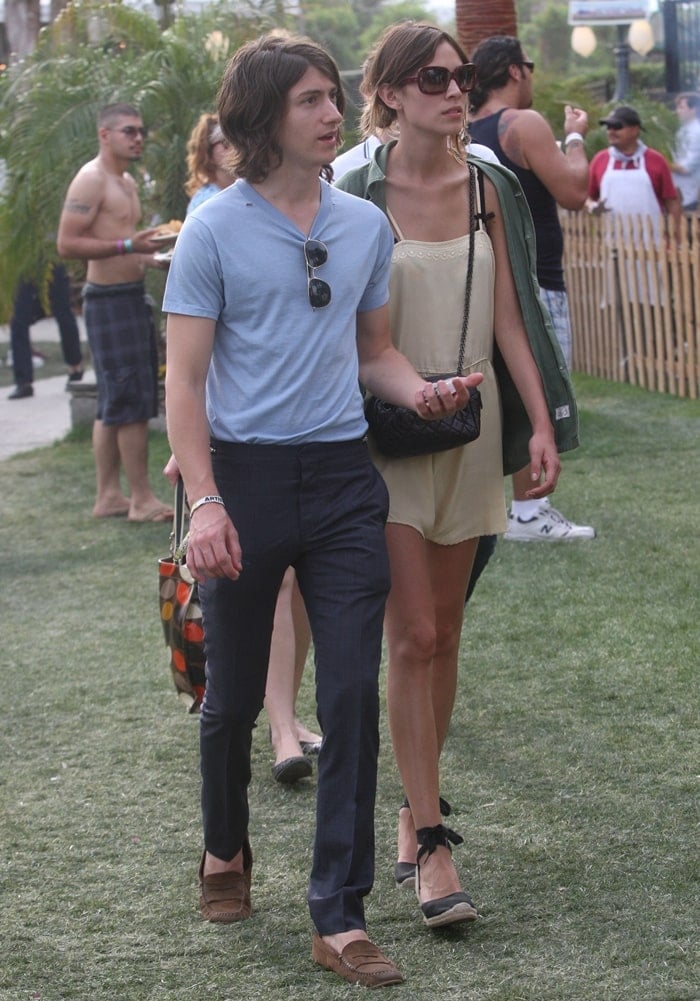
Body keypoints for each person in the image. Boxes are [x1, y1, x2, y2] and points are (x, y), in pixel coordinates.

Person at [162, 31, 481, 988]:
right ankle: (225, 843)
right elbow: (184, 385)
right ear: (264, 117)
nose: (332, 112)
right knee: (230, 700)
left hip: (345, 478)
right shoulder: (212, 230)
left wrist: (419, 390)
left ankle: (338, 914)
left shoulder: (363, 225)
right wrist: (205, 502)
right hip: (244, 480)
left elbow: (371, 350)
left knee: (348, 696)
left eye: (333, 96)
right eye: (309, 99)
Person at [337, 21, 570, 930]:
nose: (454, 91)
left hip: (474, 428)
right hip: (386, 433)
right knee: (415, 633)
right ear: (390, 93)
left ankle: (414, 801)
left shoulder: (488, 185)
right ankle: (433, 843)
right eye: (433, 78)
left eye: (461, 76)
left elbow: (511, 318)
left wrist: (539, 422)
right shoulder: (355, 191)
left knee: (447, 633)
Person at [181, 117, 321, 783]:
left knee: (301, 588)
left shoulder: (317, 210)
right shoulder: (210, 218)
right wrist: (194, 445)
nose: (226, 150)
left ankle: (285, 712)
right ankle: (280, 729)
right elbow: (199, 354)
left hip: (314, 442)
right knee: (275, 583)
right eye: (216, 143)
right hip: (239, 442)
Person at [469, 34, 595, 542]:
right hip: (535, 279)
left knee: (508, 394)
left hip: (485, 281)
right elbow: (575, 191)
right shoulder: (524, 123)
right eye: (530, 66)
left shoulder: (469, 129)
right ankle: (529, 512)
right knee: (537, 389)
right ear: (515, 71)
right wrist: (575, 139)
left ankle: (519, 509)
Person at [56, 103, 173, 522]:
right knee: (131, 398)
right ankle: (141, 499)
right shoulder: (91, 179)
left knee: (112, 398)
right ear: (105, 135)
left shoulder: (126, 181)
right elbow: (67, 243)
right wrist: (127, 247)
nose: (138, 138)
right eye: (129, 131)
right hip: (108, 300)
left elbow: (126, 241)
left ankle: (108, 496)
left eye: (140, 130)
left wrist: (153, 258)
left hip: (129, 294)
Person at [587, 105, 681, 241]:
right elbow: (586, 196)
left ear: (635, 130)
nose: (611, 131)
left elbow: (671, 202)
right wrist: (592, 206)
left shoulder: (656, 160)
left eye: (617, 126)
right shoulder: (600, 160)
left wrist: (676, 238)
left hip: (652, 244)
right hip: (612, 242)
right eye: (608, 127)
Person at [7, 262, 84, 399]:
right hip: (25, 262)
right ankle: (23, 382)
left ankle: (75, 366)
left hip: (52, 259)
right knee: (18, 320)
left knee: (63, 312)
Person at [185, 113, 235, 215]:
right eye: (226, 142)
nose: (235, 147)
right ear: (208, 154)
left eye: (237, 140)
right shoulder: (206, 204)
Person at [669, 92, 700, 213]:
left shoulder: (697, 133)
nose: (677, 111)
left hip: (690, 196)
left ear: (693, 109)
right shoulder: (680, 130)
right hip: (678, 193)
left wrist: (663, 163)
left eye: (681, 107)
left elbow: (686, 168)